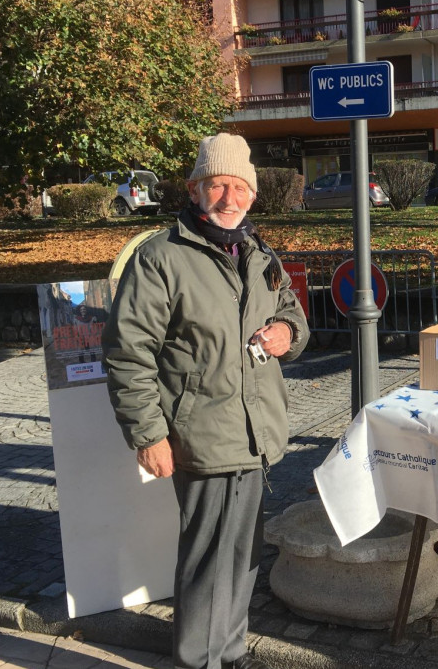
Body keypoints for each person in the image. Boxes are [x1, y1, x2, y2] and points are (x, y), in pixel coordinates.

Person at [102, 133, 309, 669]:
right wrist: (148, 434)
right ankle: (197, 661)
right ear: (194, 189)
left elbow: (294, 314)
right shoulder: (161, 257)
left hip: (254, 431)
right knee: (206, 562)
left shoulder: (260, 253)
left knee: (242, 558)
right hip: (201, 433)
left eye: (239, 186)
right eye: (216, 184)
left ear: (252, 195)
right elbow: (128, 352)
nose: (229, 197)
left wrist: (287, 331)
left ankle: (230, 654)